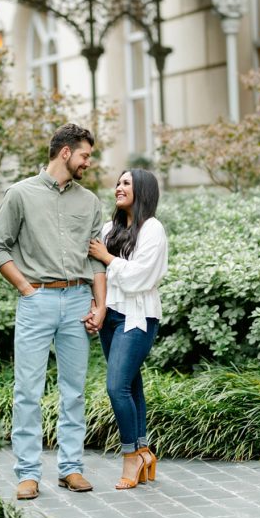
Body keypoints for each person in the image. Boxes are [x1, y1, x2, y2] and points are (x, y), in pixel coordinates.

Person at [0, 123, 106, 501]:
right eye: (85, 155)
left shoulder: (89, 202)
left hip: (76, 302)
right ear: (66, 152)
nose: (89, 162)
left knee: (73, 391)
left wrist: (99, 304)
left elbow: (97, 260)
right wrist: (25, 287)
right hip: (36, 301)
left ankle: (71, 468)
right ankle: (27, 474)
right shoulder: (20, 194)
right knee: (27, 391)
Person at [87, 168, 167, 490]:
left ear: (142, 190)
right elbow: (97, 273)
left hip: (138, 319)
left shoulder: (153, 229)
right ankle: (145, 451)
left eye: (126, 183)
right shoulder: (110, 228)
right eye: (118, 182)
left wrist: (107, 257)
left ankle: (130, 455)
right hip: (111, 317)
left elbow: (139, 278)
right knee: (131, 384)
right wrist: (97, 305)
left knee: (116, 386)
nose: (118, 188)